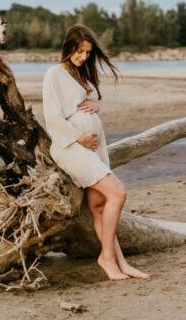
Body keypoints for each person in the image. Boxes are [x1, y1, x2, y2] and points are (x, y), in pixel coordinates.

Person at [42, 24, 149, 281]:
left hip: (93, 147)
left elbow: (84, 102)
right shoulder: (53, 74)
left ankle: (121, 262)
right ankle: (107, 258)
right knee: (118, 192)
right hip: (70, 147)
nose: (83, 57)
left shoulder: (80, 74)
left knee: (99, 204)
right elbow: (52, 117)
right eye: (79, 51)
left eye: (87, 53)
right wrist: (79, 136)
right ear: (68, 47)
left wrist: (95, 103)